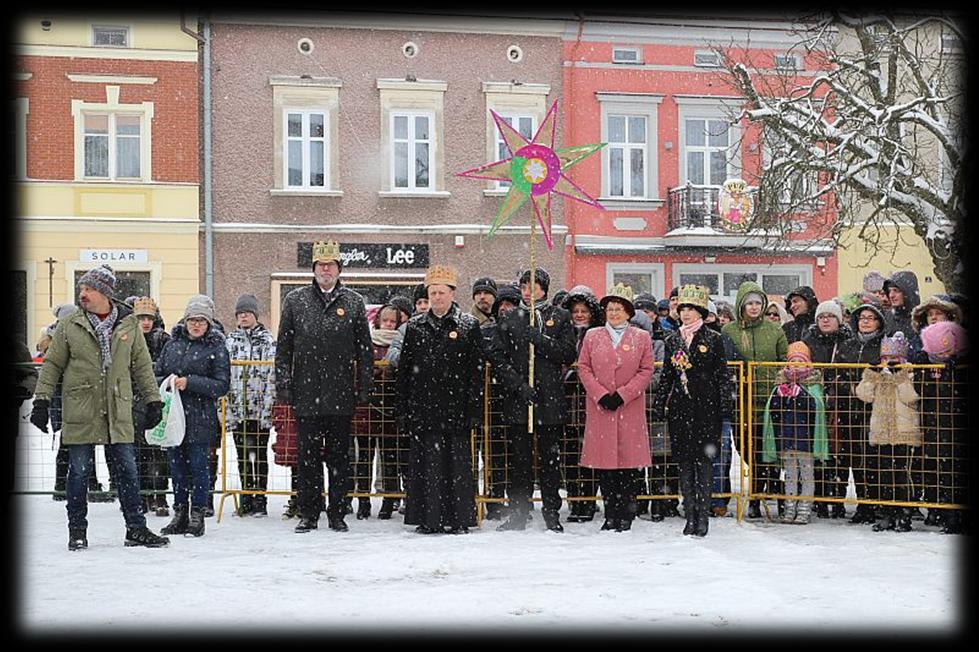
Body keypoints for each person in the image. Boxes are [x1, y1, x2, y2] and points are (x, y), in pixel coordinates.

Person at [30, 264, 168, 549]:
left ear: (105, 292)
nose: (83, 294)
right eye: (81, 288)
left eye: (89, 289)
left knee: (128, 470)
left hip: (118, 407)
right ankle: (77, 530)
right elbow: (53, 364)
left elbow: (141, 365)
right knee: (79, 472)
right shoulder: (71, 324)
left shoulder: (128, 324)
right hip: (81, 406)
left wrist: (153, 400)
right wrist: (42, 400)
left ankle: (136, 528)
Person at [275, 240, 373, 534]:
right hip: (306, 394)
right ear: (314, 269)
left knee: (339, 458)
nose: (326, 270)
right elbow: (284, 349)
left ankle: (338, 512)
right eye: (321, 265)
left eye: (331, 265)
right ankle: (309, 512)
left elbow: (364, 351)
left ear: (339, 269)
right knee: (307, 458)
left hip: (341, 395)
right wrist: (284, 385)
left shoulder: (354, 302)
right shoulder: (295, 300)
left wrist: (363, 387)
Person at [396, 265, 483, 534]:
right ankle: (428, 518)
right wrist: (403, 407)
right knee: (426, 466)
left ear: (452, 294)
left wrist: (474, 408)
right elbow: (405, 371)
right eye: (432, 293)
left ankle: (458, 519)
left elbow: (475, 371)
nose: (436, 298)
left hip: (456, 407)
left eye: (441, 293)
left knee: (456, 465)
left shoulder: (468, 325)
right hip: (424, 408)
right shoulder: (415, 326)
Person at [491, 267, 577, 532]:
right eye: (525, 287)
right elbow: (498, 357)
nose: (529, 291)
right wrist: (518, 385)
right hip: (520, 399)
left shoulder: (560, 317)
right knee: (520, 461)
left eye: (534, 286)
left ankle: (552, 511)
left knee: (550, 461)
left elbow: (566, 353)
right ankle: (519, 510)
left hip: (549, 399)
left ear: (544, 288)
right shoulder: (510, 318)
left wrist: (539, 339)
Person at [577, 284, 654, 532]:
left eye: (618, 309)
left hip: (629, 407)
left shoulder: (641, 337)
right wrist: (600, 394)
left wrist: (624, 394)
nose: (613, 313)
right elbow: (584, 368)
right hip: (601, 408)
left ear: (628, 312)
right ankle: (610, 513)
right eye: (610, 309)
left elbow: (646, 370)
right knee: (605, 465)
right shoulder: (592, 336)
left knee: (629, 466)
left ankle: (626, 514)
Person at [655, 285, 731, 537]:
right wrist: (660, 400)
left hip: (706, 408)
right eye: (682, 308)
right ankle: (689, 514)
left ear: (701, 312)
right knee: (684, 462)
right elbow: (667, 374)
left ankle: (703, 515)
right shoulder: (673, 339)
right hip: (681, 408)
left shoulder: (714, 338)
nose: (686, 313)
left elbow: (722, 375)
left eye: (691, 309)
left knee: (705, 462)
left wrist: (724, 406)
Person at [155, 295, 231, 537]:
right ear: (185, 321)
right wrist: (166, 382)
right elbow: (157, 373)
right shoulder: (172, 345)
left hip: (201, 417)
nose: (196, 324)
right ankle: (180, 513)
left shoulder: (216, 347)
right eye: (192, 320)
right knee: (176, 467)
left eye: (201, 320)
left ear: (208, 323)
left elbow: (221, 385)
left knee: (199, 468)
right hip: (173, 415)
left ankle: (197, 514)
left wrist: (191, 382)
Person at [722, 281, 788, 519]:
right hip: (741, 401)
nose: (753, 307)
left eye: (757, 303)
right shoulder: (729, 331)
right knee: (745, 450)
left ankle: (763, 493)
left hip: (769, 401)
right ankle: (763, 489)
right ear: (741, 305)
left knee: (768, 451)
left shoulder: (775, 330)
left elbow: (784, 361)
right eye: (749, 303)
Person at [855, 332, 921, 532]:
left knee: (901, 473)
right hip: (881, 432)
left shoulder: (910, 373)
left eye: (893, 359)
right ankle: (886, 511)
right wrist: (870, 376)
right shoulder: (877, 377)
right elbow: (864, 396)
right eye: (885, 359)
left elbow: (911, 397)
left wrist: (900, 375)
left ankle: (904, 512)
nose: (888, 363)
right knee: (884, 473)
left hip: (903, 431)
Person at [761, 342, 829, 524]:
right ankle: (789, 507)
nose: (796, 365)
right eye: (793, 361)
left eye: (800, 361)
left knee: (807, 475)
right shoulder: (780, 384)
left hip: (805, 439)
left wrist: (801, 396)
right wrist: (780, 397)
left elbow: (817, 408)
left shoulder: (812, 384)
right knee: (790, 475)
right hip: (786, 438)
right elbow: (772, 412)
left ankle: (805, 508)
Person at [914, 321, 969, 534]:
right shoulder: (926, 365)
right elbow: (921, 392)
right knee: (937, 470)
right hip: (934, 423)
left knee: (953, 471)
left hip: (954, 423)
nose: (944, 355)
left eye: (947, 350)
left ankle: (955, 514)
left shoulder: (960, 365)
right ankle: (941, 511)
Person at [351, 303, 405, 520]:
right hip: (367, 406)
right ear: (378, 321)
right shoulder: (367, 342)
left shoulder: (401, 343)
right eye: (386, 320)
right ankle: (363, 500)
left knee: (389, 457)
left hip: (389, 407)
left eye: (393, 321)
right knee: (364, 457)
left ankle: (388, 500)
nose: (389, 324)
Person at [225, 293, 277, 518]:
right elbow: (224, 374)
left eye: (247, 312)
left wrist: (268, 408)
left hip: (259, 407)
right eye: (240, 313)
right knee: (242, 455)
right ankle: (246, 495)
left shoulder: (268, 341)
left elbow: (272, 376)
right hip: (239, 407)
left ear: (255, 314)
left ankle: (260, 498)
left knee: (260, 453)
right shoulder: (230, 341)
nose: (243, 316)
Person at [836, 302, 887, 525]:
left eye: (870, 318)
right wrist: (849, 388)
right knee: (855, 457)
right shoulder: (847, 345)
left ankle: (876, 503)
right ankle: (862, 503)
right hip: (849, 408)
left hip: (875, 409)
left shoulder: (884, 346)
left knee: (874, 458)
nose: (865, 321)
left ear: (879, 322)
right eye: (862, 317)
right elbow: (837, 372)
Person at [801, 299, 852, 518]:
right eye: (821, 316)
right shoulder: (808, 340)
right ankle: (820, 499)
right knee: (817, 451)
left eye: (830, 316)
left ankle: (838, 499)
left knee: (840, 453)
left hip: (841, 402)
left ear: (838, 320)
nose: (825, 320)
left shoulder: (848, 341)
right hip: (815, 401)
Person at [478, 283, 522, 520]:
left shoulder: (525, 330)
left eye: (511, 304)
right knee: (494, 453)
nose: (505, 309)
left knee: (517, 453)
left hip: (516, 399)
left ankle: (519, 499)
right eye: (502, 305)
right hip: (492, 400)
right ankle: (495, 498)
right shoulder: (486, 330)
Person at [561, 287, 604, 523]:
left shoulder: (598, 335)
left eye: (584, 311)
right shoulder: (563, 333)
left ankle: (588, 501)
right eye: (575, 311)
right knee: (569, 454)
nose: (579, 315)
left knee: (590, 454)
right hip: (566, 400)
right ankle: (573, 499)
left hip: (589, 399)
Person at [131, 297, 172, 517]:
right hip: (135, 400)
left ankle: (160, 496)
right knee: (139, 452)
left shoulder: (164, 339)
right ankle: (142, 496)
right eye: (141, 318)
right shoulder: (128, 338)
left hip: (158, 399)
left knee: (158, 451)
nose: (145, 322)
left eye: (149, 318)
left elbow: (167, 368)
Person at [883, 271, 921, 340]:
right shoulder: (886, 318)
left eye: (896, 290)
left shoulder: (922, 319)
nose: (891, 295)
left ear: (908, 292)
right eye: (889, 291)